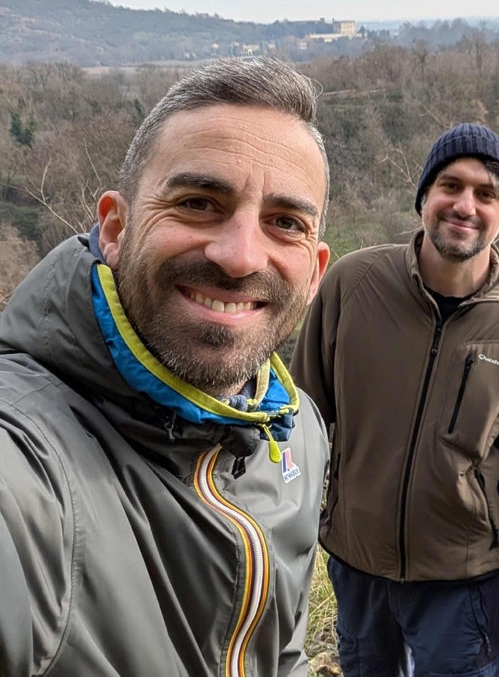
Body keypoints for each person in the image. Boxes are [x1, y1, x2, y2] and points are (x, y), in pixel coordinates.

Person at [0, 58, 332, 676]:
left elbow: (280, 651)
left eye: (285, 223)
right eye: (199, 203)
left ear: (314, 272)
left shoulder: (296, 432)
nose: (240, 256)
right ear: (115, 228)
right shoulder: (26, 461)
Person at [292, 123, 499, 677]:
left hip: (463, 578)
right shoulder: (352, 286)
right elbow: (296, 430)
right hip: (357, 564)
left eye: (486, 193)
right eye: (451, 185)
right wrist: (282, 550)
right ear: (424, 196)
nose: (466, 205)